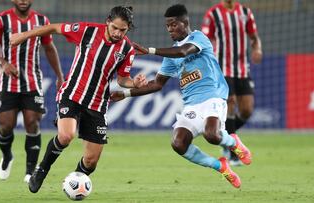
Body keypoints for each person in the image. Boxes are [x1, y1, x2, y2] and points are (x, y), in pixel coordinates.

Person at [111, 4, 251, 188]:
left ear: (185, 23)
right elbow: (157, 84)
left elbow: (183, 51)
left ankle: (233, 143)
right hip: (192, 105)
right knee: (178, 143)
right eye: (167, 26)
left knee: (212, 135)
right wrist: (125, 93)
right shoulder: (170, 56)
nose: (170, 29)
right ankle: (220, 166)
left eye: (173, 25)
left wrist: (150, 50)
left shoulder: (199, 38)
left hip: (213, 97)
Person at [10, 6, 147, 193]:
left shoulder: (127, 49)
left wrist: (135, 84)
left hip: (98, 103)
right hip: (72, 94)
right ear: (108, 21)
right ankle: (42, 169)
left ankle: (73, 185)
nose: (117, 33)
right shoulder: (87, 30)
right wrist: (23, 35)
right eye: (114, 27)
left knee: (91, 162)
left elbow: (122, 79)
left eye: (122, 30)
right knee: (66, 136)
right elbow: (54, 27)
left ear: (128, 28)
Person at [0, 0, 64, 183]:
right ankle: (7, 157)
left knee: (32, 123)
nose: (22, 0)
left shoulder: (41, 20)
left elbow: (49, 48)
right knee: (6, 126)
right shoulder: (1, 19)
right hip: (8, 83)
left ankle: (30, 172)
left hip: (32, 82)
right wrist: (3, 63)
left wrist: (60, 76)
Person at [201, 0, 262, 165]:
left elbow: (254, 37)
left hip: (242, 69)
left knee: (247, 110)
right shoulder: (213, 14)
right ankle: (234, 153)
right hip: (222, 68)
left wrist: (257, 49)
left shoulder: (245, 13)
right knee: (231, 102)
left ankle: (225, 138)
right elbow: (204, 39)